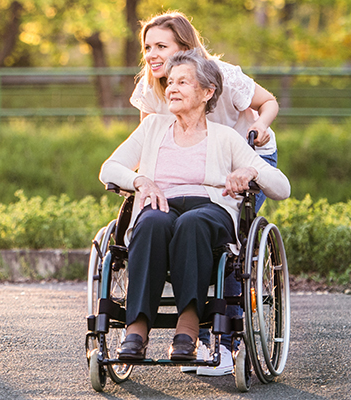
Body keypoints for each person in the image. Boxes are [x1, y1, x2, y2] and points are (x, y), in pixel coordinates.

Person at [98, 49, 289, 364]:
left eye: (183, 82)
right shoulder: (152, 128)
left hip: (209, 210)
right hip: (161, 203)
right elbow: (109, 168)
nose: (171, 88)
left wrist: (251, 171)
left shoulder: (226, 137)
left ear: (207, 92)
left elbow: (282, 187)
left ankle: (187, 327)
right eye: (170, 82)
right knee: (150, 223)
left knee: (193, 223)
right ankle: (137, 327)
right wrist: (141, 181)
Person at [132, 11, 280, 375]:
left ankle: (224, 342)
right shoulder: (152, 85)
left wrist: (259, 126)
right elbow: (150, 145)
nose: (152, 54)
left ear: (185, 47)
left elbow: (269, 101)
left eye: (161, 46)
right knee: (164, 223)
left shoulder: (222, 75)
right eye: (147, 46)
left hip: (246, 155)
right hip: (190, 169)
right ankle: (168, 327)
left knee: (226, 245)